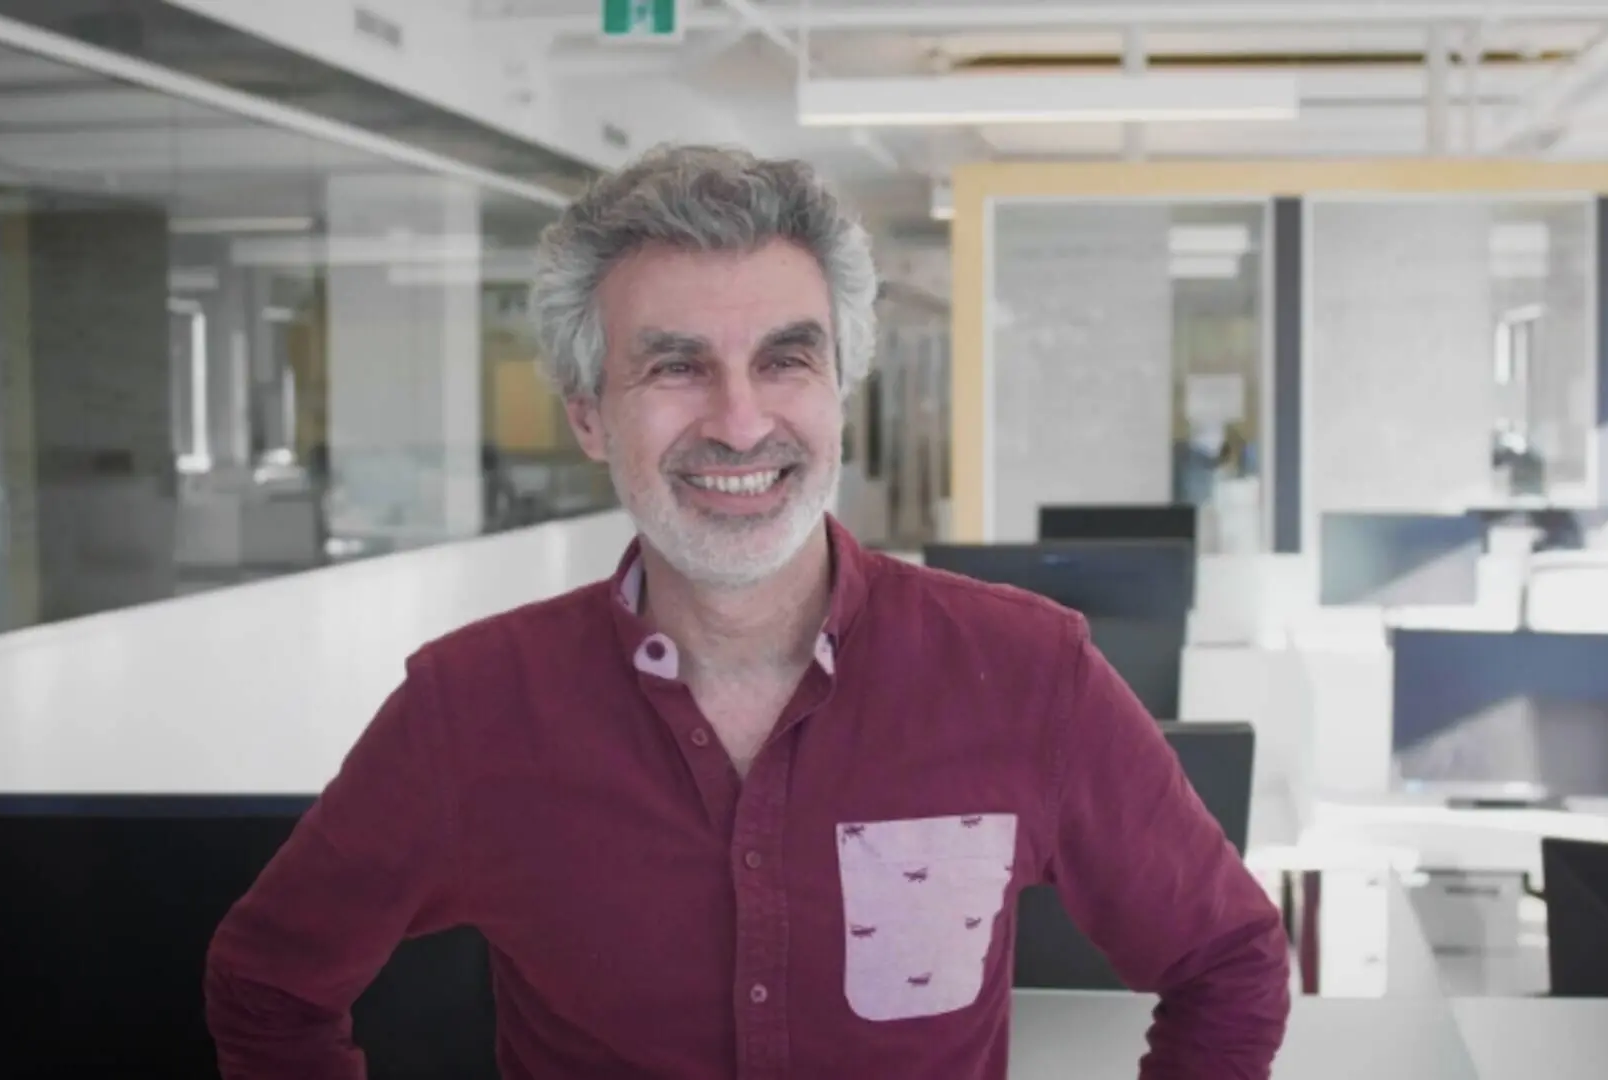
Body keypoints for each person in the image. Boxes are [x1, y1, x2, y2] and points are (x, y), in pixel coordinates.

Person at [204, 144, 1291, 1079]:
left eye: (786, 359)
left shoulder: (1026, 674)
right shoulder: (473, 708)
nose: (738, 421)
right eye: (676, 366)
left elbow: (1228, 961)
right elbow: (270, 983)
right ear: (590, 416)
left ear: (838, 391)